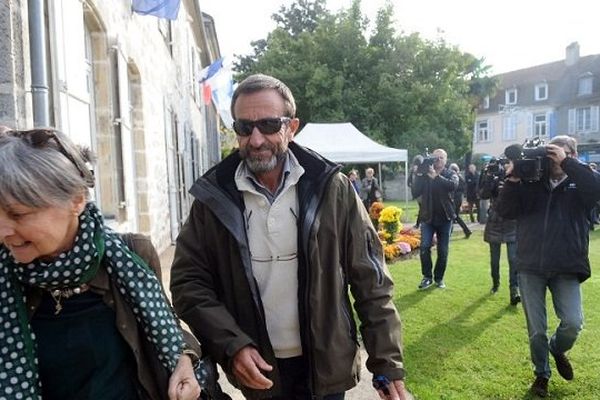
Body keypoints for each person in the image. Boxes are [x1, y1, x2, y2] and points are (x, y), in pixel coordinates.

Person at [170, 74, 411, 400]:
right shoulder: (213, 199)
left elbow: (371, 279)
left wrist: (386, 362)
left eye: (269, 125)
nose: (256, 139)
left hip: (326, 366)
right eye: (244, 127)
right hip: (260, 371)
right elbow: (189, 284)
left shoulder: (332, 188)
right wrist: (232, 345)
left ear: (292, 127)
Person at [0, 128, 202, 400]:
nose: (3, 231)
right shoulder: (5, 277)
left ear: (77, 200)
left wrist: (184, 359)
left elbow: (165, 326)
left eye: (18, 214)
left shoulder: (132, 256)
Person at [495, 135, 600, 397]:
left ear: (572, 155)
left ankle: (557, 348)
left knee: (573, 323)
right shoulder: (532, 180)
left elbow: (596, 190)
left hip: (567, 264)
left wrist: (568, 164)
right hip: (531, 264)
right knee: (536, 330)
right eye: (551, 154)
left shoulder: (581, 179)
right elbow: (505, 211)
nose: (553, 159)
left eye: (559, 154)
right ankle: (541, 375)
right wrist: (513, 179)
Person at [412, 149, 458, 290]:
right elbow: (415, 192)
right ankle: (427, 277)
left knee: (443, 251)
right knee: (425, 247)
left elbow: (453, 186)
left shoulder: (450, 173)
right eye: (435, 158)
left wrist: (436, 177)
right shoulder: (424, 174)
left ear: (446, 159)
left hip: (445, 218)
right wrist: (419, 174)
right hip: (428, 217)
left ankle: (439, 278)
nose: (438, 160)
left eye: (441, 158)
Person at [478, 158, 519, 305]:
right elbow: (483, 195)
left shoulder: (517, 177)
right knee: (494, 260)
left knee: (514, 259)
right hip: (495, 221)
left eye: (509, 162)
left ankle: (514, 289)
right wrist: (489, 178)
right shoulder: (493, 177)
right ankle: (495, 284)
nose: (506, 166)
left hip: (512, 221)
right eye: (504, 163)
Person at [449, 163, 472, 239]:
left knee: (453, 216)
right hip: (458, 198)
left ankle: (449, 233)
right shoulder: (460, 177)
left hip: (456, 199)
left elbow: (456, 189)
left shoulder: (457, 178)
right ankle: (466, 231)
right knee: (455, 216)